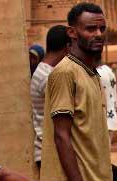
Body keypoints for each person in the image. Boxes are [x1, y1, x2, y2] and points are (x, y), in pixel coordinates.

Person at [41, 2, 117, 181]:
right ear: (72, 32)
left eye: (101, 28)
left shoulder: (92, 74)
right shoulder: (64, 73)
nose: (98, 34)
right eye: (90, 29)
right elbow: (61, 136)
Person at [31, 25, 71, 170]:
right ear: (68, 47)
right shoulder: (50, 77)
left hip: (48, 149)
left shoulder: (43, 71)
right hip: (51, 151)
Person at [97, 63, 117, 142]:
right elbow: (115, 95)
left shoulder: (95, 72)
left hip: (100, 115)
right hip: (111, 113)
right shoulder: (109, 71)